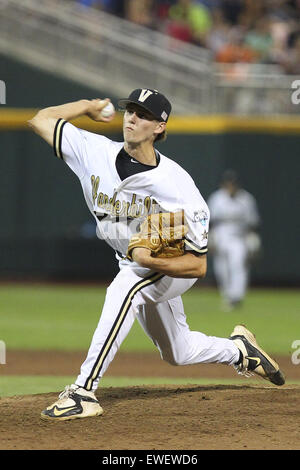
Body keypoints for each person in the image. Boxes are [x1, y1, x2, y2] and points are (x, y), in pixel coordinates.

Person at [28, 88, 284, 421]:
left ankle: (82, 392)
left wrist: (152, 262)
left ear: (160, 127)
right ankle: (238, 351)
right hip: (134, 261)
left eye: (143, 114)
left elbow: (198, 265)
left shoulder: (177, 185)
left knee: (126, 286)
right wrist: (87, 106)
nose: (132, 118)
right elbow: (40, 120)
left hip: (169, 267)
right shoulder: (93, 151)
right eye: (129, 110)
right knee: (178, 350)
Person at [207, 170, 261, 311]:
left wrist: (252, 238)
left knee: (238, 265)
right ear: (223, 184)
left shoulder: (246, 199)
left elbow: (252, 222)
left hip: (239, 237)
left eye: (233, 183)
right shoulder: (216, 198)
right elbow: (210, 221)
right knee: (221, 269)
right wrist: (210, 237)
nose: (230, 186)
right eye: (228, 183)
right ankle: (227, 295)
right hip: (220, 236)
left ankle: (237, 296)